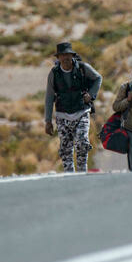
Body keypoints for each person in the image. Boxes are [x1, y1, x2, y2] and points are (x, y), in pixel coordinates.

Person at [44, 42, 102, 173]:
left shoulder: (83, 68)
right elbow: (49, 97)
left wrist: (91, 95)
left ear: (72, 55)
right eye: (62, 55)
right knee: (65, 149)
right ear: (58, 58)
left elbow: (98, 78)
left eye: (68, 55)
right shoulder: (54, 73)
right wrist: (48, 121)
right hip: (62, 116)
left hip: (81, 112)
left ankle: (82, 173)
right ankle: (69, 176)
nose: (65, 58)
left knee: (82, 144)